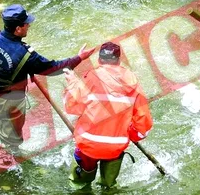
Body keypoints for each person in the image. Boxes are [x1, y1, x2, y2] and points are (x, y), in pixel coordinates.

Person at [0, 4, 94, 151]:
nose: (29, 26)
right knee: (12, 138)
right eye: (27, 24)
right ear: (18, 29)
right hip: (12, 100)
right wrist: (79, 58)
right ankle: (11, 158)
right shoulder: (26, 55)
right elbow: (53, 68)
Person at [63, 42, 153, 189]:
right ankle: (108, 186)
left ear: (99, 60)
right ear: (119, 60)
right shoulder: (132, 81)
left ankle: (81, 186)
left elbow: (72, 107)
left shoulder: (90, 77)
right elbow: (144, 122)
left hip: (88, 145)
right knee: (109, 186)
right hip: (115, 146)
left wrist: (73, 82)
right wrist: (130, 134)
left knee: (79, 184)